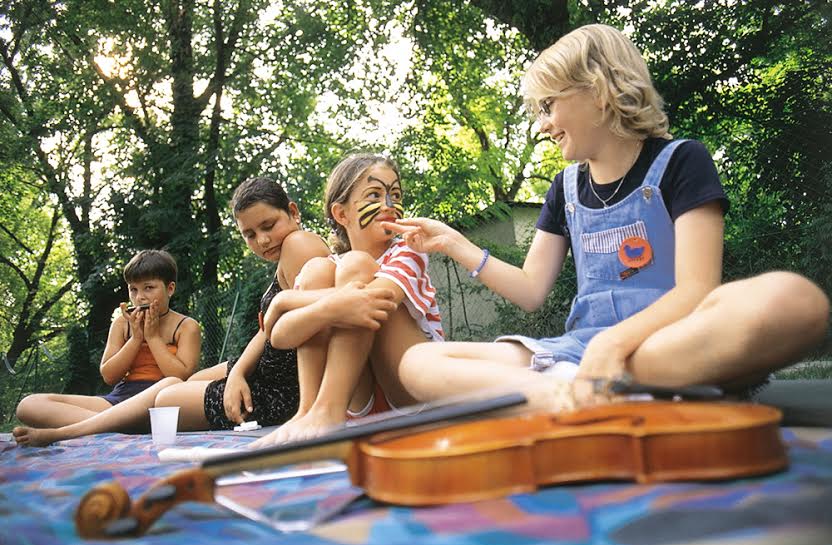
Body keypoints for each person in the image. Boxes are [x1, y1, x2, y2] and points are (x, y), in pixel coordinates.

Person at [382, 24, 830, 411]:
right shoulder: (564, 189)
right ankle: (569, 399)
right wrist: (453, 243)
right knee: (419, 363)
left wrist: (613, 345)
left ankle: (596, 391)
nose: (542, 124)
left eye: (548, 105)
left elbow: (697, 290)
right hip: (577, 354)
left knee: (792, 300)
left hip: (665, 343)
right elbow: (531, 290)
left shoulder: (680, 161)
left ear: (597, 89)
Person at [12, 177, 393, 446]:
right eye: (249, 234)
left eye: (268, 225)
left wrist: (248, 380)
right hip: (262, 370)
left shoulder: (300, 245)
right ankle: (99, 423)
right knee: (177, 388)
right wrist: (237, 371)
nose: (262, 240)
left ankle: (73, 432)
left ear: (292, 212)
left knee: (166, 396)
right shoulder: (290, 252)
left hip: (279, 389)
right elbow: (270, 327)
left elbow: (303, 324)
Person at [251, 153, 443, 446]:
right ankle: (309, 411)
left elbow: (376, 298)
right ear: (341, 214)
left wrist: (285, 301)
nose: (389, 205)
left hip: (412, 395)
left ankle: (328, 410)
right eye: (375, 195)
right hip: (361, 405)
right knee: (317, 269)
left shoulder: (408, 250)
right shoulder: (328, 269)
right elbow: (279, 336)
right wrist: (326, 308)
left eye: (395, 195)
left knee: (357, 265)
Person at [13, 249, 201, 446]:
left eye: (148, 288)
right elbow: (109, 376)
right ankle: (118, 424)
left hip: (161, 401)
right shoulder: (122, 324)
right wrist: (136, 339)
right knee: (29, 405)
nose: (140, 297)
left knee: (171, 382)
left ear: (170, 289)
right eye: (133, 290)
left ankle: (75, 430)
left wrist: (152, 337)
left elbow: (181, 377)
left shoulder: (186, 326)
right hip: (120, 398)